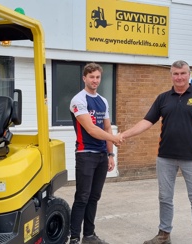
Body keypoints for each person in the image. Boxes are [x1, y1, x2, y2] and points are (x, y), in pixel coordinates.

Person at [122, 60, 192, 244]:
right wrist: (124, 134)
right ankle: (164, 234)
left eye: (183, 73)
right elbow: (147, 121)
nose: (179, 77)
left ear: (189, 74)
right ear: (171, 75)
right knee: (165, 197)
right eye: (175, 73)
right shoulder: (163, 98)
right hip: (165, 157)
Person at [69, 62, 122, 244]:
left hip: (101, 155)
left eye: (98, 77)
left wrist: (110, 154)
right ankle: (74, 238)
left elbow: (106, 126)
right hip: (85, 154)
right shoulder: (79, 100)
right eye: (91, 77)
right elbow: (91, 129)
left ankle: (89, 235)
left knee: (94, 197)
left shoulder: (103, 100)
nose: (95, 80)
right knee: (82, 197)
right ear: (84, 78)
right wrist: (114, 139)